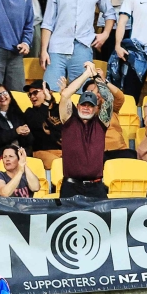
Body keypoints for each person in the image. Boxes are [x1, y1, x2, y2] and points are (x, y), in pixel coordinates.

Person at [40, 0, 116, 86]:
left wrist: (105, 34)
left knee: (82, 92)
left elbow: (110, 13)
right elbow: (47, 23)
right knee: (50, 90)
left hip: (83, 46)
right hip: (57, 47)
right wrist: (44, 50)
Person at [58, 63, 111, 198]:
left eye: (90, 105)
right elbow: (65, 95)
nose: (86, 108)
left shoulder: (101, 123)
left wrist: (96, 76)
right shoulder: (68, 121)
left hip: (96, 187)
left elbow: (109, 99)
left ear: (96, 109)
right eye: (83, 105)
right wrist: (86, 74)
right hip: (71, 187)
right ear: (77, 106)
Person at [0, 85, 33, 165]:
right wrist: (15, 132)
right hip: (0, 154)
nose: (2, 97)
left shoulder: (17, 112)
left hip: (20, 153)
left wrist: (27, 134)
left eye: (4, 93)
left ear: (10, 96)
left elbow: (29, 142)